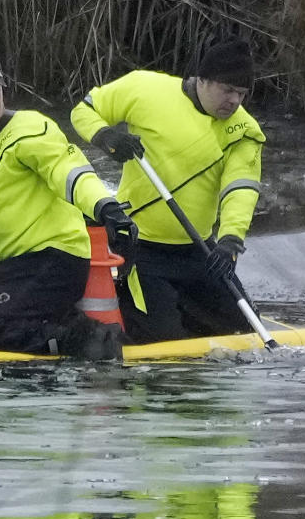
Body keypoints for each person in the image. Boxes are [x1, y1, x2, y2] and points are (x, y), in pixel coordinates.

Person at [0, 54, 138, 360]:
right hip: (11, 267)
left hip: (55, 258)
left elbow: (68, 172)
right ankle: (58, 330)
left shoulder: (30, 128)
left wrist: (106, 208)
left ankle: (86, 337)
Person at [70, 37, 265, 342]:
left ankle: (186, 308)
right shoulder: (145, 89)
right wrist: (107, 138)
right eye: (227, 90)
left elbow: (240, 188)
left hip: (200, 250)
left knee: (244, 333)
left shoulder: (244, 131)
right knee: (162, 340)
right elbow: (83, 111)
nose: (235, 102)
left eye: (241, 94)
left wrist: (230, 241)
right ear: (202, 80)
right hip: (141, 247)